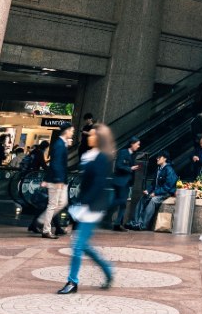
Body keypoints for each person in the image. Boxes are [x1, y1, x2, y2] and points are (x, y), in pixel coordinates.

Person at [58, 124, 115, 294]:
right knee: (83, 246)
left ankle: (72, 281)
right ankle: (108, 270)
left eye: (91, 135)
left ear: (98, 138)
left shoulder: (103, 157)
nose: (88, 137)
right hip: (85, 205)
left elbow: (98, 184)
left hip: (93, 207)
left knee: (78, 245)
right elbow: (85, 184)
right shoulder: (89, 155)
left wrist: (83, 204)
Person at [33, 125, 72, 238]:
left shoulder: (62, 144)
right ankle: (46, 230)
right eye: (71, 131)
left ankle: (41, 220)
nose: (72, 133)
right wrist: (57, 180)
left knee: (61, 203)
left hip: (60, 179)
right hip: (57, 180)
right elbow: (55, 163)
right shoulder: (59, 144)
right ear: (66, 131)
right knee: (53, 204)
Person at [129, 153, 176, 231]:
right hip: (157, 192)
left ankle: (143, 225)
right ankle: (135, 222)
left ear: (165, 159)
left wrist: (156, 193)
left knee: (153, 201)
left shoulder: (169, 169)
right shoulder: (159, 169)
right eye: (157, 157)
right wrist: (148, 190)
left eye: (159, 157)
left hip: (165, 193)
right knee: (143, 198)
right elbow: (154, 184)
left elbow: (168, 186)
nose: (157, 159)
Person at [108, 137, 143, 231]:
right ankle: (105, 211)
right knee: (121, 202)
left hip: (125, 182)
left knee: (122, 204)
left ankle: (116, 224)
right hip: (120, 182)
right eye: (137, 144)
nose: (138, 146)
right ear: (132, 143)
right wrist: (130, 168)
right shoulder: (123, 152)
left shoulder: (133, 155)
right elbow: (119, 165)